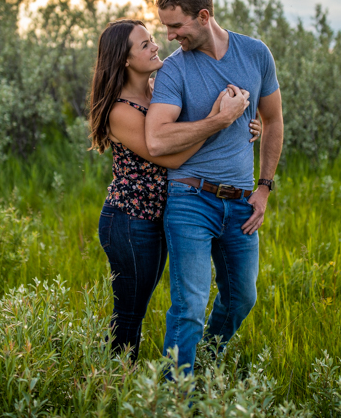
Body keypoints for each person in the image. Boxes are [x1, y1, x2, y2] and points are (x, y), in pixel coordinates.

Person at [88, 19, 262, 362]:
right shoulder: (119, 111)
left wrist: (242, 124)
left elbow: (185, 131)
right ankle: (111, 384)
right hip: (129, 220)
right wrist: (218, 121)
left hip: (158, 218)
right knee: (130, 313)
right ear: (124, 60)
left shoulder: (158, 89)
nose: (156, 46)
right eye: (144, 45)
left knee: (140, 307)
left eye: (152, 40)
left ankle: (130, 379)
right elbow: (169, 157)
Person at [144, 0, 284, 374]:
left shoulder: (256, 54)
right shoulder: (174, 71)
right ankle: (175, 397)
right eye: (166, 27)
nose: (169, 36)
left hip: (242, 202)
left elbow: (273, 122)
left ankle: (203, 368)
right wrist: (219, 119)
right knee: (189, 306)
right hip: (190, 199)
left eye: (176, 26)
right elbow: (156, 140)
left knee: (242, 298)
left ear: (203, 16)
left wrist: (264, 187)